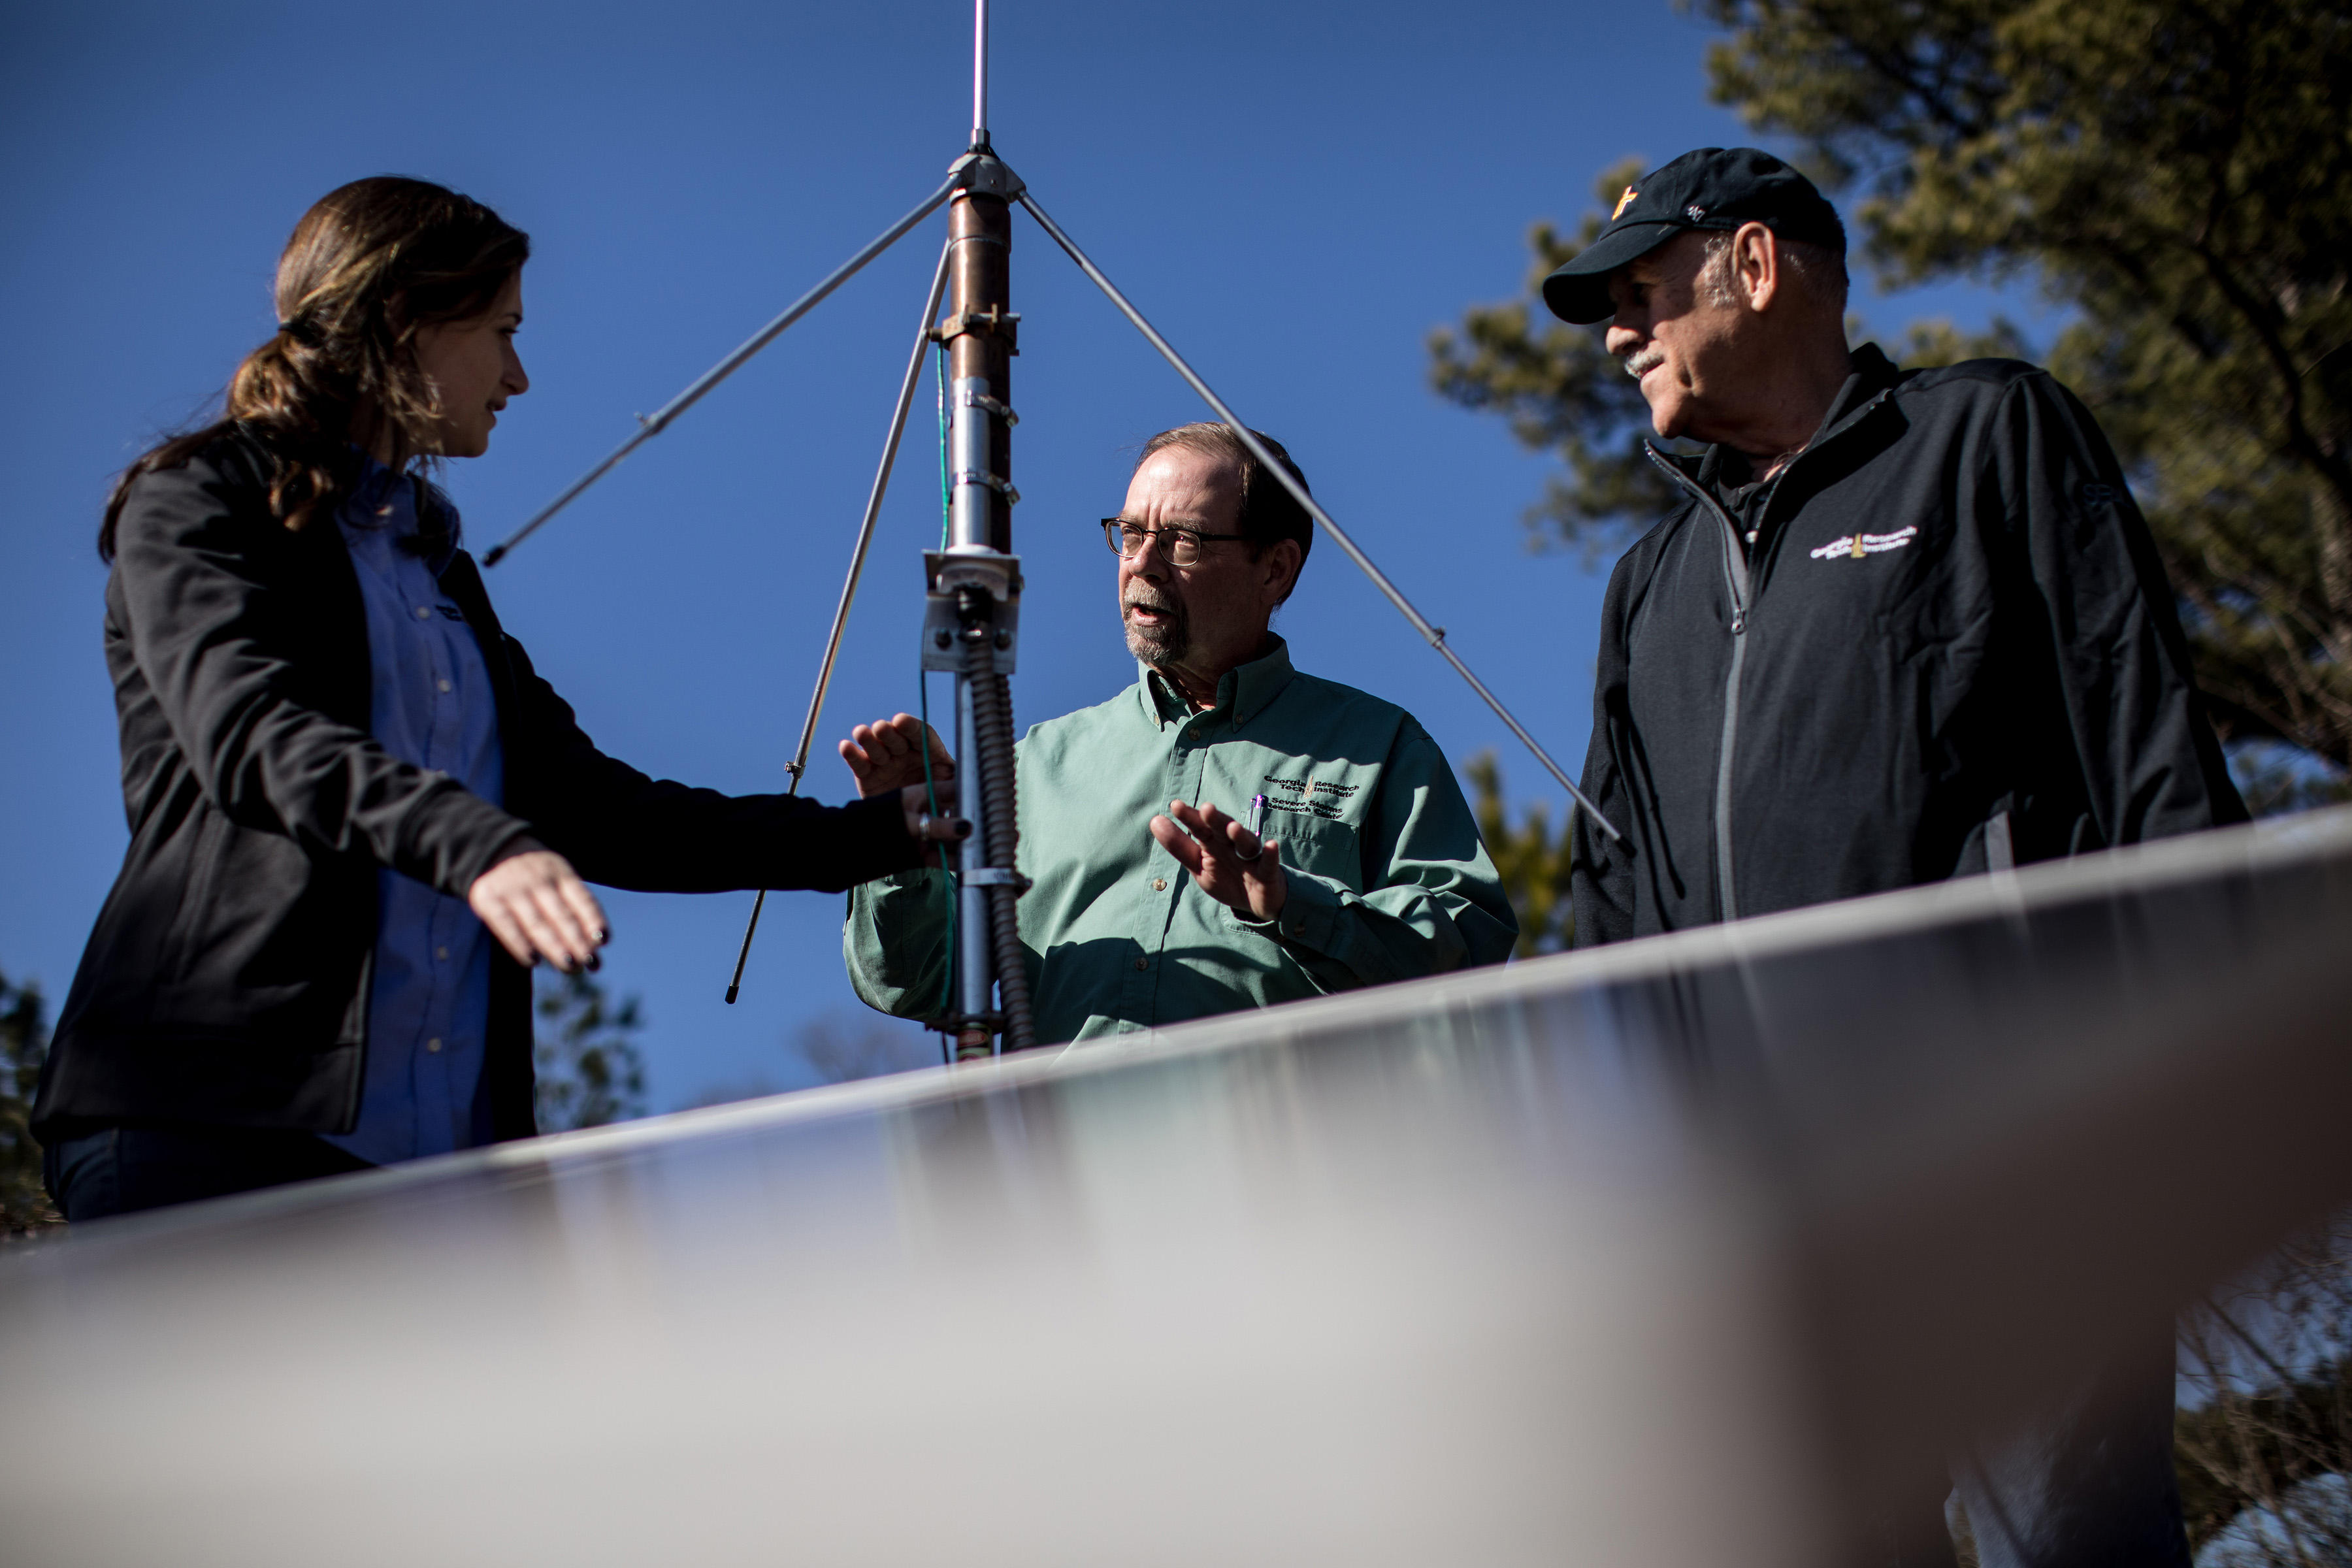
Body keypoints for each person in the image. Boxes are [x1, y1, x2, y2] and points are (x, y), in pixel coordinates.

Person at [1544, 148, 2245, 1567]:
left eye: (1643, 290)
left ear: (1756, 264)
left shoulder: (1988, 433)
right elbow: (1610, 914)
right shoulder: (1647, 588)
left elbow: (2147, 750)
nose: (1619, 335)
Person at [33, 177, 964, 1221]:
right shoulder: (199, 500)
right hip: (209, 1129)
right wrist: (476, 844)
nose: (519, 376)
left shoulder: (436, 574)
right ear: (403, 321)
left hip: (444, 1177)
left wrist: (870, 837)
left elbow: (599, 810)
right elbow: (250, 731)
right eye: (501, 330)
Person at [838, 423, 1516, 1045]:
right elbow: (915, 984)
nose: (1144, 564)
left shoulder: (1378, 747)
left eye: (1183, 540)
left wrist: (1291, 904)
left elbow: (1469, 946)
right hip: (1065, 1163)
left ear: (1275, 569)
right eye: (1130, 535)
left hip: (1294, 1162)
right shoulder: (1033, 767)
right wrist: (898, 843)